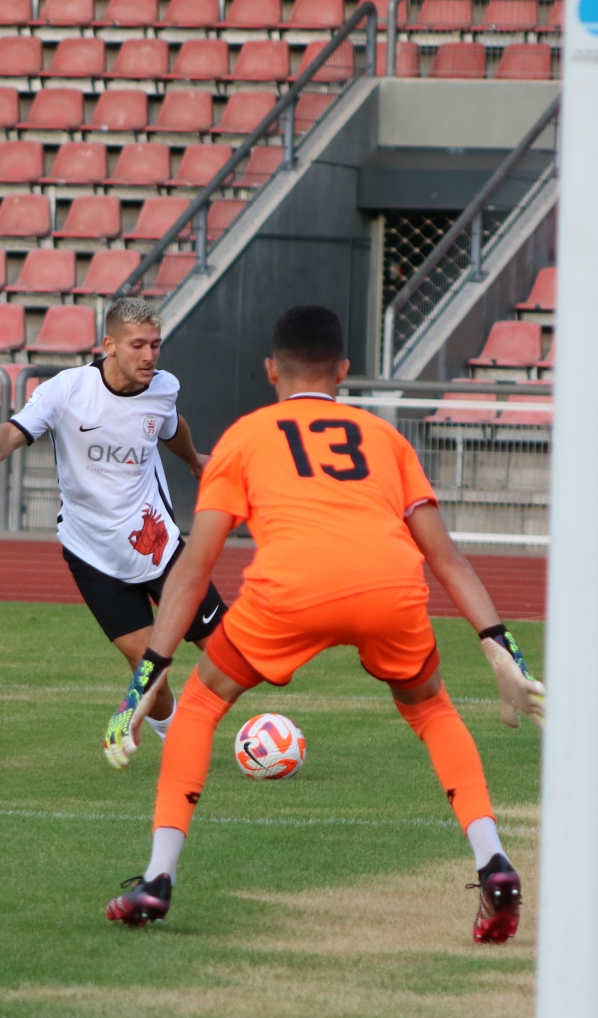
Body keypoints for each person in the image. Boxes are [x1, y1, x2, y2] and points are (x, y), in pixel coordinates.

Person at [97, 305, 546, 943]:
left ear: (270, 370)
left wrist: (149, 673)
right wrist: (503, 651)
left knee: (197, 706)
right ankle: (494, 861)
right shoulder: (385, 438)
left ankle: (158, 877)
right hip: (390, 586)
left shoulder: (246, 437)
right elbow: (446, 556)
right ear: (343, 371)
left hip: (291, 591)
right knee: (431, 710)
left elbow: (195, 567)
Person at [0, 297, 226, 768]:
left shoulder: (163, 388)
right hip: (93, 554)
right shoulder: (67, 391)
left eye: (155, 345)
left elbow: (171, 427)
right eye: (138, 345)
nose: (149, 355)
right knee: (147, 666)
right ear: (110, 345)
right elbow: (13, 432)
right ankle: (178, 736)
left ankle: (215, 727)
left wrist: (192, 459)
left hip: (157, 545)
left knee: (225, 651)